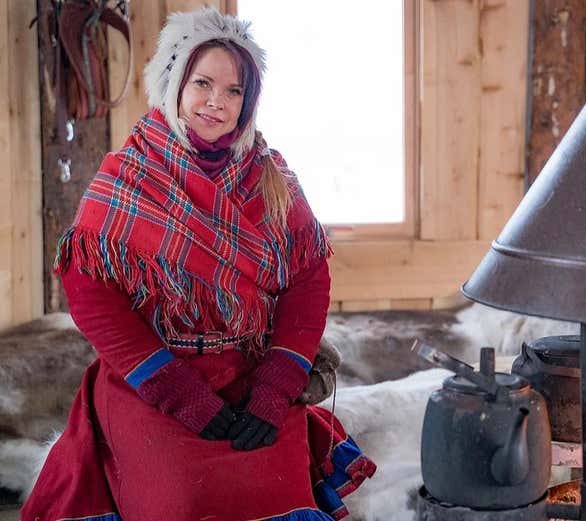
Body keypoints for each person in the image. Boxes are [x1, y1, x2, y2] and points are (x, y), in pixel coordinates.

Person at [22, 7, 375, 521]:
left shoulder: (272, 178)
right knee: (180, 500)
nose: (217, 102)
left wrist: (276, 388)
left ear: (248, 102)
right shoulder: (128, 175)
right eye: (203, 83)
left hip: (248, 371)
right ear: (175, 86)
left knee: (273, 492)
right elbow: (91, 294)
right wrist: (177, 393)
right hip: (154, 377)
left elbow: (308, 280)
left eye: (234, 91)